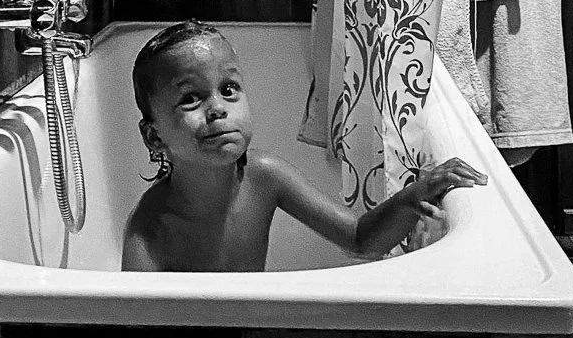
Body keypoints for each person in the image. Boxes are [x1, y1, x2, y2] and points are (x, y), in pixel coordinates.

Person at [121, 20, 488, 273]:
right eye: (191, 98)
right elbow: (133, 329)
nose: (217, 108)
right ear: (154, 137)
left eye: (228, 89)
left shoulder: (265, 177)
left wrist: (413, 197)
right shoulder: (150, 229)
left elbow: (361, 239)